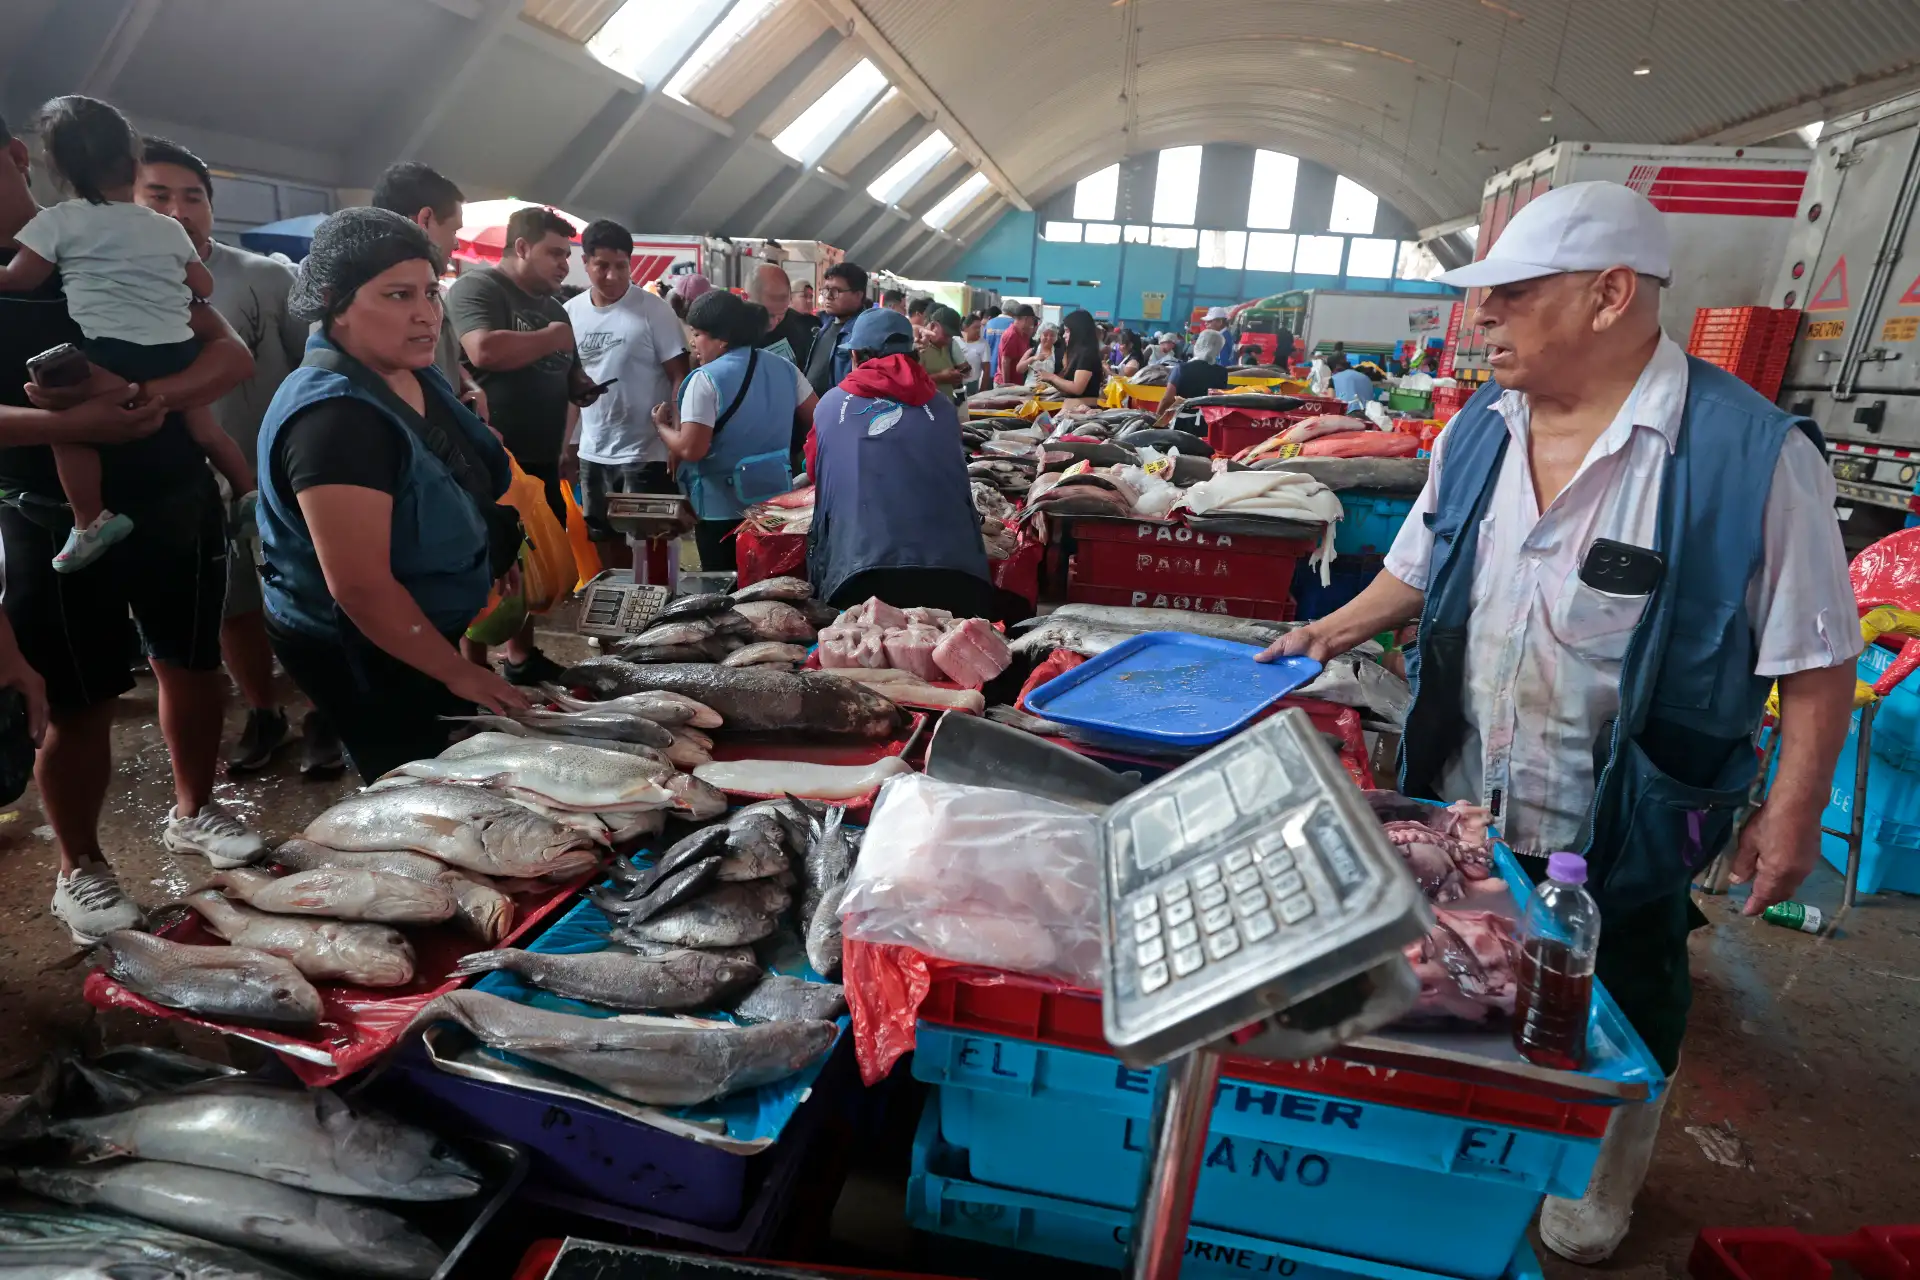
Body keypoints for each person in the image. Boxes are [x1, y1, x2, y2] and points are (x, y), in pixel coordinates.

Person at [1259, 181, 1858, 1264]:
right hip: (1468, 788)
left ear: (1609, 295)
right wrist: (1327, 634)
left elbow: (1814, 655)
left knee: (1628, 983)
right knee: (1469, 974)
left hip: (1630, 805)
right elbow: (1415, 567)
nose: (1478, 320)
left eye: (1508, 295)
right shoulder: (1476, 433)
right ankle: (1483, 1145)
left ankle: (1600, 1174)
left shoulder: (1751, 456)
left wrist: (1794, 809)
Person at [0, 105, 265, 942]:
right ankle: (82, 868)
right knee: (79, 700)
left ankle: (198, 809)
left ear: (18, 158)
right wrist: (74, 426)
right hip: (48, 513)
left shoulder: (120, 240)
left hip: (172, 494)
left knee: (192, 661)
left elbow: (227, 352)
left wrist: (155, 398)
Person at [255, 208, 530, 782]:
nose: (427, 315)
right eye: (398, 295)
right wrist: (462, 674)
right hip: (362, 648)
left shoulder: (405, 368)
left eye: (430, 293)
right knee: (414, 782)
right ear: (334, 300)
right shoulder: (334, 423)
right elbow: (360, 586)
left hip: (417, 630)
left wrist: (488, 553)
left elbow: (445, 471)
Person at [137, 136, 342, 778]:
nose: (178, 209)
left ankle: (320, 713)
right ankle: (264, 711)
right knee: (232, 611)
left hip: (280, 483)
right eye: (159, 195)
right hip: (188, 487)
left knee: (307, 601)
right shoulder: (111, 286)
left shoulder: (264, 276)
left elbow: (317, 371)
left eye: (192, 196)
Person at [0, 97, 254, 574]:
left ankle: (90, 519)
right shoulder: (163, 231)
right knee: (206, 430)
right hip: (174, 352)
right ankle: (249, 494)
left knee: (67, 412)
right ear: (134, 164)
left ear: (38, 162)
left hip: (138, 415)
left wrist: (111, 407)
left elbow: (21, 278)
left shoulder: (57, 229)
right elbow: (202, 288)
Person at [447, 204, 601, 684]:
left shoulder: (554, 308)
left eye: (566, 254)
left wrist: (579, 384)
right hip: (488, 459)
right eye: (555, 253)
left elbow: (565, 367)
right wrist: (552, 338)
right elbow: (483, 350)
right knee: (486, 564)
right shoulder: (481, 288)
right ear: (520, 247)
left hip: (538, 459)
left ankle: (520, 659)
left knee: (527, 564)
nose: (563, 265)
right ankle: (471, 672)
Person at [805, 307, 993, 614]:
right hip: (953, 573)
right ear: (912, 355)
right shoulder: (943, 407)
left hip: (857, 576)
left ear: (855, 357)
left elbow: (815, 471)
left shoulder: (830, 405)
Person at [653, 290, 816, 572]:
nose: (693, 343)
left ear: (723, 338)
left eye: (698, 334)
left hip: (721, 511)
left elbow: (692, 448)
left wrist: (663, 428)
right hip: (774, 506)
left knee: (724, 591)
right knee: (766, 588)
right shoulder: (785, 369)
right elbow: (819, 418)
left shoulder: (706, 380)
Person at [563, 219, 691, 570]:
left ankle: (657, 614)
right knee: (603, 538)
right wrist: (568, 445)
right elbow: (569, 387)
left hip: (646, 452)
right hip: (594, 452)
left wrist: (676, 437)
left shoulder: (654, 311)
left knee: (652, 544)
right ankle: (619, 606)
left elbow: (680, 375)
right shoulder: (570, 314)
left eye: (621, 266)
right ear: (586, 262)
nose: (612, 275)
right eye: (602, 266)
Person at [370, 161, 488, 423]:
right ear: (425, 219)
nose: (456, 242)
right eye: (453, 229)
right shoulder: (371, 293)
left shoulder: (420, 287)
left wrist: (465, 382)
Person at [804, 261, 869, 397]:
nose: (828, 296)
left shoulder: (864, 333)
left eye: (836, 291)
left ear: (858, 295)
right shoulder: (826, 324)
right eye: (826, 289)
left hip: (837, 413)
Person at [1034, 309, 1107, 408]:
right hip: (1074, 406)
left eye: (1067, 331)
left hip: (1083, 409)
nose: (1064, 335)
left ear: (1078, 331)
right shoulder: (1079, 353)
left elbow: (1077, 388)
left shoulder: (1087, 355)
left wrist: (1052, 377)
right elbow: (1068, 388)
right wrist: (1049, 380)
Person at [749, 263, 817, 368]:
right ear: (747, 298)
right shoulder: (732, 330)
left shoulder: (799, 327)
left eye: (781, 315)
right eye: (769, 315)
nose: (774, 322)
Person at [917, 304, 969, 401]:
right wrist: (939, 377)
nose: (948, 340)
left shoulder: (948, 346)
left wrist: (954, 378)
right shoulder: (918, 347)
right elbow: (911, 384)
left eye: (951, 336)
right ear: (933, 326)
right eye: (946, 335)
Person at [995, 304, 1037, 387]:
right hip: (1007, 383)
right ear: (1026, 319)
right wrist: (1006, 385)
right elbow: (1005, 362)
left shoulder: (1023, 334)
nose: (1033, 323)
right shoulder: (1012, 335)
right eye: (1032, 319)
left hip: (1017, 383)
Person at [981, 303, 1013, 387]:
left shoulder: (990, 323)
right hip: (1005, 373)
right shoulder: (1014, 325)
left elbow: (983, 346)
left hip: (988, 371)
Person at [958, 312, 989, 394]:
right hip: (955, 383)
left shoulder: (983, 344)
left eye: (979, 327)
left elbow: (986, 370)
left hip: (972, 385)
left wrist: (982, 392)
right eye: (975, 327)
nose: (978, 330)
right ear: (965, 328)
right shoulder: (955, 341)